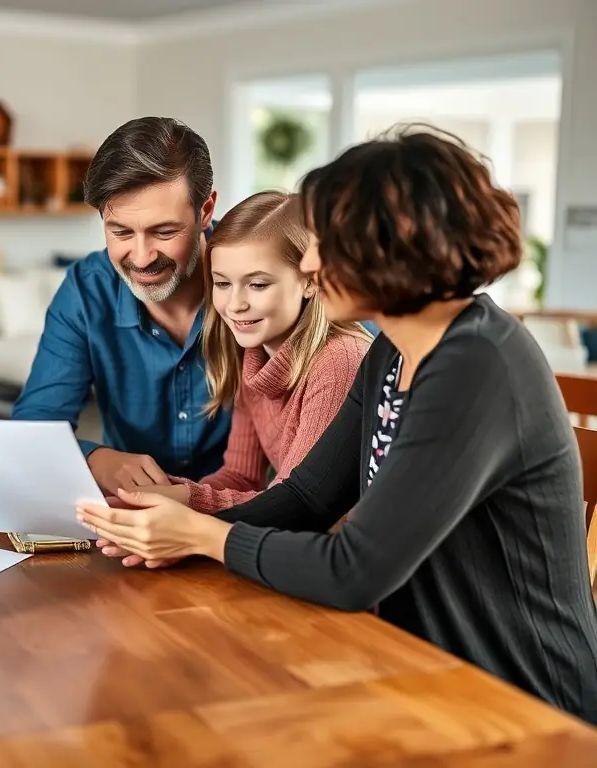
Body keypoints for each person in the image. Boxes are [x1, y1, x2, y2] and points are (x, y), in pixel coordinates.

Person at [77, 126, 597, 723]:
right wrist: (176, 528)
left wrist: (200, 536)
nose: (310, 262)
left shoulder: (478, 365)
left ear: (393, 246)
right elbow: (306, 497)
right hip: (421, 670)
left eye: (326, 243)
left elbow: (354, 570)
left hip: (523, 702)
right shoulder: (393, 350)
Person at [11, 116, 231, 495]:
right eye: (121, 232)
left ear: (205, 210)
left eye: (165, 231)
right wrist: (95, 460)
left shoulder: (261, 277)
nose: (142, 258)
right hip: (130, 511)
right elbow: (33, 430)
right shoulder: (86, 291)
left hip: (249, 509)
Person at [134, 190, 371, 516]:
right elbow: (241, 477)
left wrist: (186, 501)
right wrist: (157, 495)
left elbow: (295, 504)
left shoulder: (339, 361)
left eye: (258, 285)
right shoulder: (255, 356)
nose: (235, 305)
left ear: (310, 281)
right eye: (222, 284)